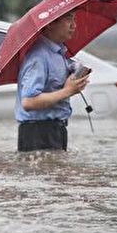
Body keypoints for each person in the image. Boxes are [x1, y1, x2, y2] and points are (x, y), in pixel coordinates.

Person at [15, 10, 89, 151]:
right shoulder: (38, 56)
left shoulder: (59, 53)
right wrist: (68, 91)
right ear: (50, 24)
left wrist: (74, 79)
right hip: (38, 133)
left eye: (74, 19)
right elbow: (28, 102)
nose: (74, 25)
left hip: (56, 129)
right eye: (68, 19)